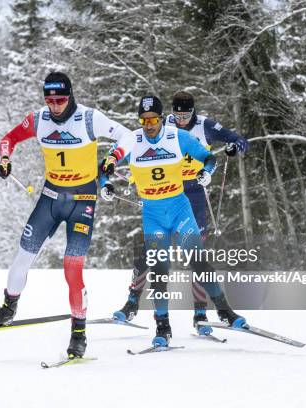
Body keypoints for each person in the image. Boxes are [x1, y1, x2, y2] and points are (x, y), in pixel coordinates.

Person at [0, 72, 133, 359]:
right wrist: (5, 159)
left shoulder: (88, 118)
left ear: (70, 95)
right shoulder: (39, 119)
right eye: (50, 100)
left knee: (72, 269)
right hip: (50, 198)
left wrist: (113, 157)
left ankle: (79, 333)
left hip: (83, 200)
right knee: (22, 257)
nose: (55, 105)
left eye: (60, 99)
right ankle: (8, 308)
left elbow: (128, 135)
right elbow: (9, 139)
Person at [101, 96, 247, 347]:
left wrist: (205, 173)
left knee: (199, 263)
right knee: (159, 269)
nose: (148, 125)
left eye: (153, 119)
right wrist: (106, 183)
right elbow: (106, 164)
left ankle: (224, 310)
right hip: (153, 214)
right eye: (144, 120)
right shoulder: (132, 140)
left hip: (180, 209)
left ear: (160, 118)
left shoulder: (176, 136)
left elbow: (209, 158)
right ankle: (162, 326)